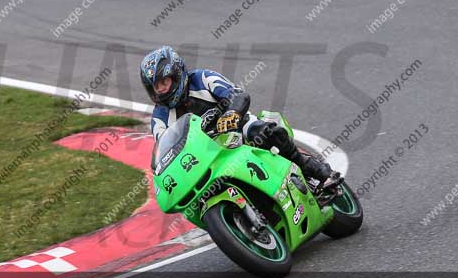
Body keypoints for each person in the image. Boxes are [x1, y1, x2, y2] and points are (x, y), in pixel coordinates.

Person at [140, 45, 339, 185]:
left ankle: (310, 168)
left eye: (164, 82)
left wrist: (231, 115)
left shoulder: (202, 78)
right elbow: (164, 150)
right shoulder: (159, 118)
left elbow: (237, 94)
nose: (161, 90)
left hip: (237, 127)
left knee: (265, 132)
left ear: (176, 75)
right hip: (205, 155)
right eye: (156, 87)